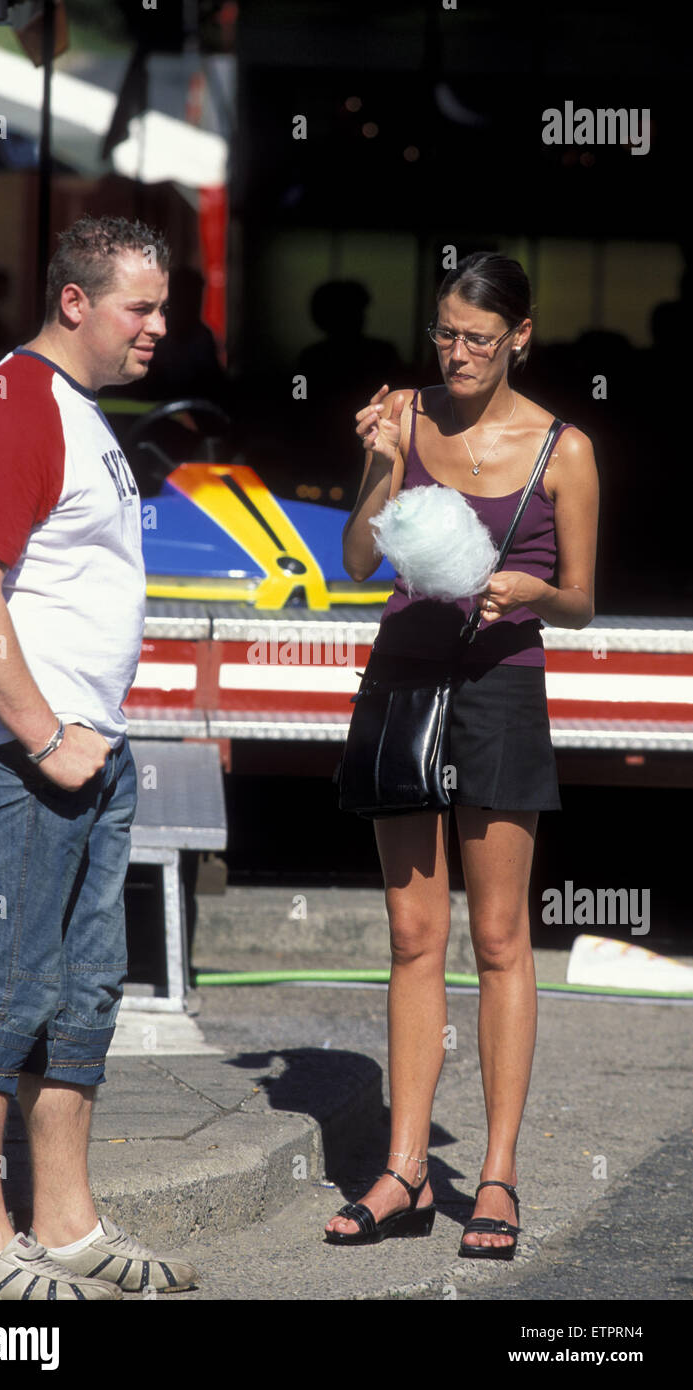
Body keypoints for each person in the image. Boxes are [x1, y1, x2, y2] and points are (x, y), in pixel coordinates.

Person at [0, 215, 198, 1300]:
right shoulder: (15, 404)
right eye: (142, 306)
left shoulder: (76, 412)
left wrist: (82, 740)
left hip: (82, 748)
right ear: (74, 301)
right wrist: (42, 733)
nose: (160, 328)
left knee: (79, 997)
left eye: (162, 306)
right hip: (17, 752)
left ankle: (68, 1225)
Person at [325, 252, 599, 1258]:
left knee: (495, 937)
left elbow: (579, 598)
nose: (457, 353)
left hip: (498, 685)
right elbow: (357, 560)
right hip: (401, 672)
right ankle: (402, 1168)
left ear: (518, 337)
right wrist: (387, 471)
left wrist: (529, 595)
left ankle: (493, 1174)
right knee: (409, 934)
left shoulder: (562, 448)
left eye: (477, 338)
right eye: (444, 332)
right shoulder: (400, 418)